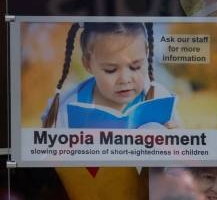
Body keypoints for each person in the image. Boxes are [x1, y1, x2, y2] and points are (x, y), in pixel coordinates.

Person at [41, 22, 178, 129]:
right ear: (88, 64)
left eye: (135, 67)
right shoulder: (67, 111)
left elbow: (180, 154)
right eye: (110, 70)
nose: (125, 79)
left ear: (146, 55)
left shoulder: (159, 98)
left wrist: (176, 139)